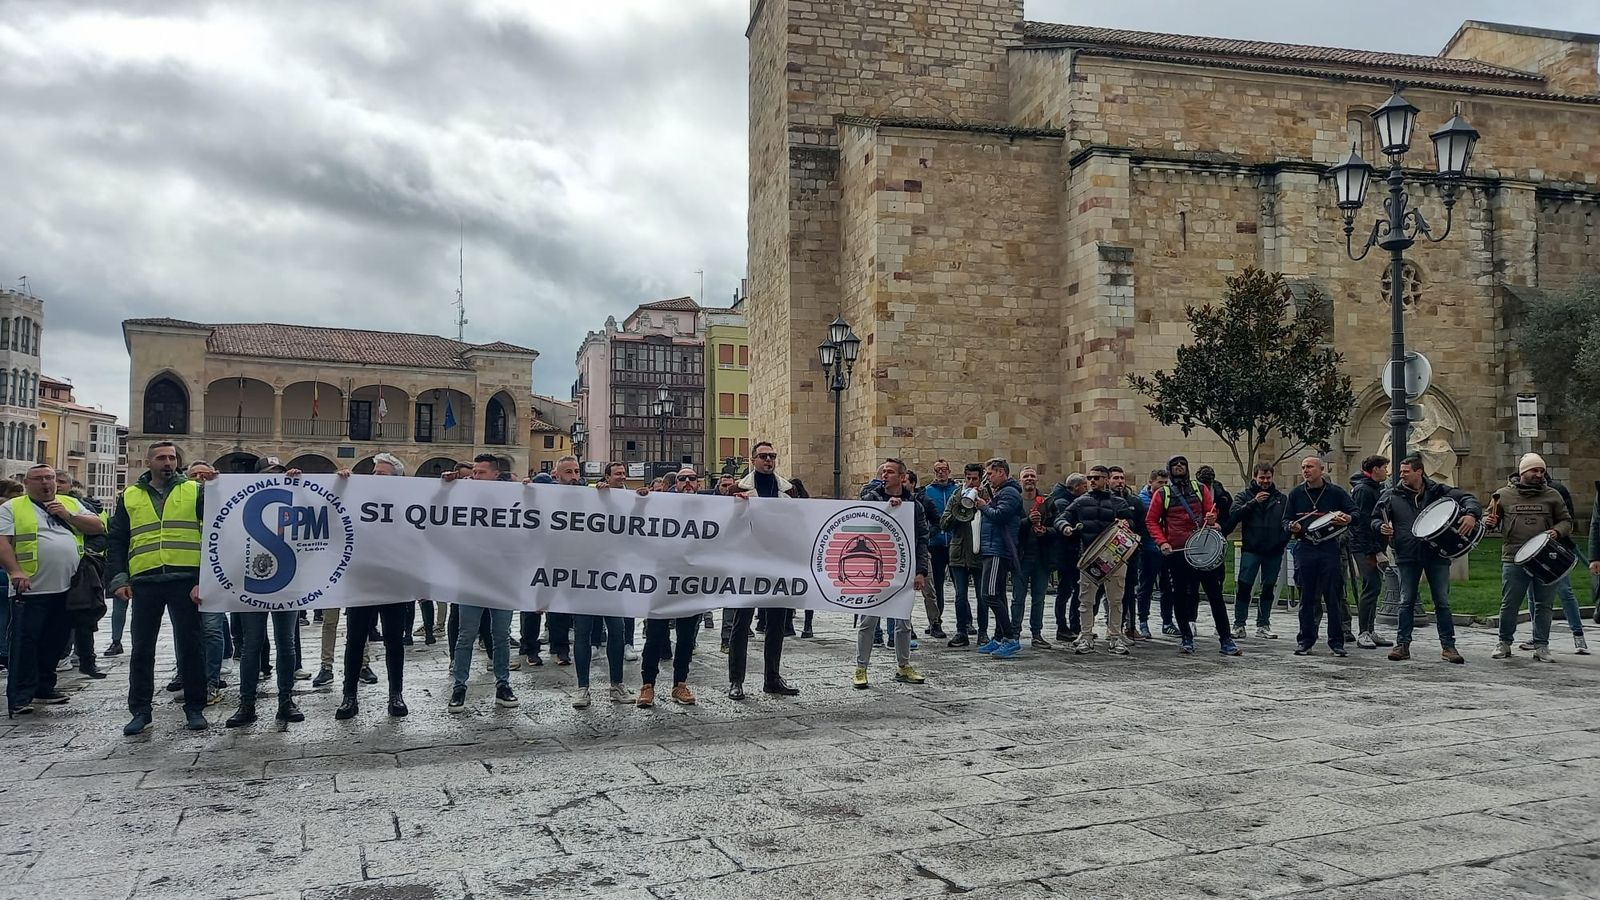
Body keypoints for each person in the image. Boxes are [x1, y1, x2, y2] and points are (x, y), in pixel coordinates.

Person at [108, 442, 211, 734]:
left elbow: (215, 530)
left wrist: (205, 578)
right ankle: (140, 710)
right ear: (148, 462)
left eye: (172, 458)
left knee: (191, 647)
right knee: (142, 649)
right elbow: (117, 539)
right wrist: (119, 578)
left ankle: (195, 707)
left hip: (185, 579)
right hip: (145, 580)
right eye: (162, 458)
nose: (168, 462)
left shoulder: (194, 490)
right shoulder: (130, 496)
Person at [0, 465, 106, 716]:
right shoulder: (12, 508)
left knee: (56, 640)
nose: (45, 483)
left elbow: (97, 526)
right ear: (27, 483)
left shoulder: (70, 503)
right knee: (25, 642)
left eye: (49, 478)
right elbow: (3, 542)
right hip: (31, 588)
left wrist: (68, 516)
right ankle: (20, 695)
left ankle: (45, 687)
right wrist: (15, 571)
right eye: (38, 479)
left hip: (69, 587)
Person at [1376, 455, 1481, 664]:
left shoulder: (1438, 491)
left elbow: (1468, 498)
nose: (1402, 475)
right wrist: (1380, 526)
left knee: (1442, 601)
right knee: (1405, 601)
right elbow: (1375, 517)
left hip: (1436, 553)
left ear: (1419, 472)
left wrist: (1471, 514)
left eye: (1406, 471)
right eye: (1401, 472)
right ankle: (1402, 645)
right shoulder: (1391, 495)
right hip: (1407, 554)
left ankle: (1448, 647)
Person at [331, 453, 412, 719]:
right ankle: (349, 696)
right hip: (361, 578)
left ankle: (396, 694)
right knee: (355, 640)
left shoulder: (408, 500)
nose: (375, 476)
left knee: (394, 640)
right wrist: (340, 484)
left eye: (382, 473)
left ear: (396, 478)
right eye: (374, 472)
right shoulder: (356, 496)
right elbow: (332, 508)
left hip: (394, 579)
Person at [441, 454, 519, 711]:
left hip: (502, 579)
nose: (475, 476)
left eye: (481, 472)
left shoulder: (511, 497)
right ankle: (459, 686)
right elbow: (437, 511)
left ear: (496, 474)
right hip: (471, 577)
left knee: (501, 635)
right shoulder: (463, 495)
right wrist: (446, 486)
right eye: (474, 472)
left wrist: (532, 490)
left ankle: (503, 684)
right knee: (466, 635)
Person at [725, 441, 800, 698]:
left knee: (776, 624)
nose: (769, 460)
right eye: (763, 456)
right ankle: (736, 680)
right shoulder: (737, 489)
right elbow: (724, 522)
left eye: (772, 456)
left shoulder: (790, 490)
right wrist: (736, 506)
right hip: (748, 563)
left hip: (778, 562)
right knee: (741, 622)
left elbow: (802, 520)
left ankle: (772, 678)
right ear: (753, 460)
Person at [1147, 455, 1237, 656]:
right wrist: (1162, 542)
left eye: (1182, 464)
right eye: (1175, 464)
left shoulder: (1200, 489)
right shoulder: (1163, 493)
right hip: (1178, 553)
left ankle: (1226, 639)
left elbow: (1210, 515)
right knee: (1180, 596)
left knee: (1215, 595)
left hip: (1202, 550)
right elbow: (1151, 521)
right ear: (1169, 469)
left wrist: (1211, 519)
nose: (1179, 466)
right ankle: (1186, 637)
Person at [853, 459, 930, 688]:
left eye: (890, 472)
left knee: (903, 621)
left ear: (902, 477)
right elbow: (862, 517)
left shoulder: (914, 505)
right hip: (876, 569)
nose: (884, 475)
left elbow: (922, 538)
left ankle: (903, 666)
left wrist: (921, 570)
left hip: (903, 568)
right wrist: (887, 508)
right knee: (869, 620)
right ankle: (861, 668)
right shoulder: (872, 498)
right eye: (883, 471)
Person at [1488, 453, 1572, 663]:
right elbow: (1490, 519)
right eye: (1534, 470)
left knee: (1544, 604)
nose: (1539, 474)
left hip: (1546, 558)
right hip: (1514, 557)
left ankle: (1541, 645)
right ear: (1523, 471)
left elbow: (1566, 521)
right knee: (1510, 603)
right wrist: (1489, 521)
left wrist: (1557, 531)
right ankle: (1504, 642)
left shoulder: (1552, 495)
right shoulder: (1502, 495)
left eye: (1542, 471)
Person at [1055, 465, 1140, 656]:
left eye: (1097, 477)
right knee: (1085, 600)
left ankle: (1115, 637)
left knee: (1116, 600)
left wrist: (1126, 523)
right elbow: (1061, 518)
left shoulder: (1119, 502)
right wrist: (1065, 527)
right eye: (1090, 478)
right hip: (1090, 557)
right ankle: (1086, 635)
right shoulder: (1080, 502)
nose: (1092, 481)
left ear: (1106, 480)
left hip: (1115, 557)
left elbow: (1131, 523)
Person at [1284, 456, 1357, 658]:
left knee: (1333, 596)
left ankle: (1336, 642)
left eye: (1310, 466)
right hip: (1305, 547)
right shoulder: (1296, 493)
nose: (1305, 470)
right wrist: (1291, 526)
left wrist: (1348, 518)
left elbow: (1355, 513)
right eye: (1303, 467)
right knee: (1307, 597)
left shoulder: (1335, 492)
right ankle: (1305, 641)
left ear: (1321, 469)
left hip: (1329, 547)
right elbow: (1286, 519)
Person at [1225, 463, 1290, 639]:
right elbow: (1234, 515)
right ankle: (1239, 624)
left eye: (1268, 478)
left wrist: (1282, 540)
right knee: (1244, 586)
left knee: (1268, 588)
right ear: (1255, 477)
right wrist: (1253, 502)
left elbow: (1287, 521)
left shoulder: (1281, 498)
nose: (1265, 481)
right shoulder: (1244, 496)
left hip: (1274, 550)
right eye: (1262, 477)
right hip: (1251, 549)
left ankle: (1263, 624)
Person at [974, 458, 1024, 659]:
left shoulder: (1010, 492)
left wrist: (983, 506)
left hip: (998, 549)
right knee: (998, 594)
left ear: (1002, 472)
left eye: (990, 474)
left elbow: (1000, 515)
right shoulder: (1001, 492)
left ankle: (1010, 638)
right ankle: (1000, 636)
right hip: (992, 547)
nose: (988, 478)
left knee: (990, 594)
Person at [1348, 454, 1394, 649]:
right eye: (1384, 468)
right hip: (1364, 547)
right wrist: (1375, 551)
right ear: (1375, 469)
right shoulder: (1364, 490)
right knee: (1371, 585)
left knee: (1374, 587)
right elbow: (1362, 523)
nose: (1386, 471)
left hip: (1373, 546)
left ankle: (1370, 629)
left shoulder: (1374, 488)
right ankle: (1364, 632)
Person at [940, 463, 984, 646]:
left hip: (979, 551)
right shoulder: (956, 495)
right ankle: (961, 631)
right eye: (968, 478)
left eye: (975, 478)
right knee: (960, 596)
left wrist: (982, 504)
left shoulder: (986, 495)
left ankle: (983, 632)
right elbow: (943, 523)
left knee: (982, 595)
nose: (971, 482)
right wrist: (958, 508)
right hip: (958, 551)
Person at [1011, 466, 1053, 649]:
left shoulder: (1047, 502)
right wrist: (1027, 521)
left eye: (1032, 476)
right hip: (1021, 556)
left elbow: (1056, 526)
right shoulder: (1015, 502)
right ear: (1020, 480)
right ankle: (1014, 633)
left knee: (1039, 598)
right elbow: (1011, 527)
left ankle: (1037, 633)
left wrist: (1046, 531)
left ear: (1037, 479)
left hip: (1041, 556)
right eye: (1026, 476)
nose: (1029, 479)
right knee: (1018, 598)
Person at [918, 459, 958, 640]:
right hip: (935, 544)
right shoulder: (927, 492)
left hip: (955, 543)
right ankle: (936, 621)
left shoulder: (956, 490)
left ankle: (966, 622)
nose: (941, 473)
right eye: (937, 470)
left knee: (960, 586)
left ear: (949, 471)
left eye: (944, 469)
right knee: (937, 586)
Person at [1046, 472, 1088, 642]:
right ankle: (1063, 627)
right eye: (1084, 486)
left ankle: (1074, 626)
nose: (1087, 489)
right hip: (1065, 553)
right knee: (1065, 591)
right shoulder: (1063, 503)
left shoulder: (1068, 500)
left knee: (1075, 590)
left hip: (1070, 553)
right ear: (1076, 487)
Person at [1137, 469, 1176, 635]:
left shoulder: (1170, 497)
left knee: (1168, 587)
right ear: (1150, 482)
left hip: (1167, 549)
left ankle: (1167, 621)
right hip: (1148, 549)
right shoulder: (1141, 501)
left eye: (1166, 483)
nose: (1163, 486)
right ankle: (1143, 621)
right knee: (1146, 586)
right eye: (1160, 482)